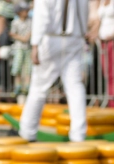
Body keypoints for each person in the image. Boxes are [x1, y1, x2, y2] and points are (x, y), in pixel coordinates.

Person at [19, 0, 88, 141]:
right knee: (75, 87)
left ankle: (27, 132)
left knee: (38, 88)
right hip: (74, 38)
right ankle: (78, 134)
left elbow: (41, 17)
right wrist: (82, 34)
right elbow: (84, 12)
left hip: (51, 40)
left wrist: (35, 45)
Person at [92, 0, 114, 106]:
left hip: (112, 41)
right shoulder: (100, 2)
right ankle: (110, 103)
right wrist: (92, 34)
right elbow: (98, 22)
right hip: (102, 43)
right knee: (107, 74)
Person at [10, 2, 32, 102]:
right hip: (19, 47)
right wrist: (22, 38)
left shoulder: (31, 21)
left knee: (28, 68)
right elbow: (12, 33)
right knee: (17, 67)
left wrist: (24, 38)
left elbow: (29, 35)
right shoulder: (15, 22)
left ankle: (27, 87)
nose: (26, 12)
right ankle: (18, 86)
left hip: (28, 48)